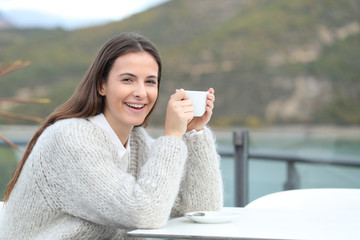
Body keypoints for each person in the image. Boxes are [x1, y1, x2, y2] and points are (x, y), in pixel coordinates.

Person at [0, 32, 223, 239]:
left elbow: (203, 209)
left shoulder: (137, 141)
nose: (141, 92)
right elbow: (146, 214)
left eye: (150, 81)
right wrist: (172, 135)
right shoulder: (71, 138)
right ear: (102, 85)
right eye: (128, 79)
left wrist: (193, 133)